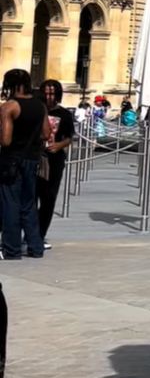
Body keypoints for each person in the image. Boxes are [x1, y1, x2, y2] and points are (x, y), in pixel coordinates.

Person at [0, 71, 45, 261]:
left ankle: (11, 249)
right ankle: (36, 247)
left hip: (12, 160)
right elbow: (46, 133)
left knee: (10, 204)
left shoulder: (9, 107)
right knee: (29, 203)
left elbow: (6, 140)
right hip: (32, 159)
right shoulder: (40, 106)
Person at [36, 79, 73, 250]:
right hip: (35, 158)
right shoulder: (36, 110)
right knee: (30, 198)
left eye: (52, 93)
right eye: (46, 93)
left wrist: (59, 145)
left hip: (54, 161)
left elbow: (69, 138)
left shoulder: (64, 115)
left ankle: (40, 234)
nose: (49, 97)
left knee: (48, 199)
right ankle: (28, 233)